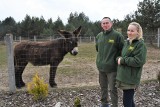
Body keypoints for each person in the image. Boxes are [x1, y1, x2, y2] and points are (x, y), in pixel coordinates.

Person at [116, 22, 147, 107]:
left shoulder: (140, 44)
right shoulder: (127, 42)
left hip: (131, 78)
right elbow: (122, 55)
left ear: (138, 32)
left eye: (132, 31)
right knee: (129, 101)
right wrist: (118, 58)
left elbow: (139, 61)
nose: (129, 32)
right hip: (125, 76)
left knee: (127, 102)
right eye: (128, 30)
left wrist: (123, 60)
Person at [95, 17, 124, 107]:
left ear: (111, 24)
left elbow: (122, 50)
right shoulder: (99, 36)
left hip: (112, 69)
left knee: (112, 89)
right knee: (103, 88)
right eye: (103, 23)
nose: (105, 25)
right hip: (101, 68)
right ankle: (104, 104)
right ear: (101, 25)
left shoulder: (117, 36)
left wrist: (117, 60)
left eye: (107, 23)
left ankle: (115, 105)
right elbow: (97, 49)